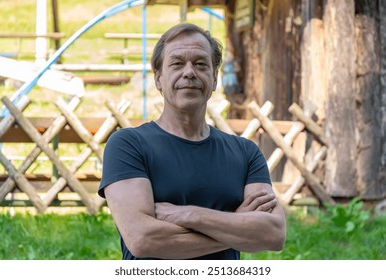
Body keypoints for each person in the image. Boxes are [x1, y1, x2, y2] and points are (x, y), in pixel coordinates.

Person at [98, 23, 286, 260]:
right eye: (177, 64)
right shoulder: (128, 145)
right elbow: (143, 239)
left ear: (215, 78)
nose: (189, 72)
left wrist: (189, 215)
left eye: (200, 64)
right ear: (158, 79)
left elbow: (273, 233)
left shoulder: (245, 152)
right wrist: (237, 224)